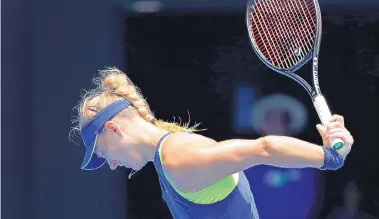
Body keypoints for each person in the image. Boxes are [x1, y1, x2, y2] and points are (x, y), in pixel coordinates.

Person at [71, 67, 354, 219]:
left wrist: (330, 158)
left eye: (101, 151)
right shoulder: (171, 155)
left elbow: (263, 148)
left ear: (112, 128)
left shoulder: (178, 159)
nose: (110, 164)